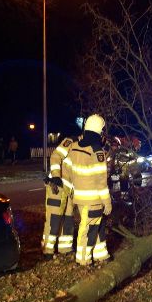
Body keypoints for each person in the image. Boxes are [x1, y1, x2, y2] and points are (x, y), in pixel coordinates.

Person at [65, 114, 112, 266]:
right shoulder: (97, 152)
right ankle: (83, 259)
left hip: (80, 198)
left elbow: (69, 171)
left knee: (95, 226)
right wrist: (107, 203)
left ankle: (100, 254)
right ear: (99, 131)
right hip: (94, 199)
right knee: (88, 229)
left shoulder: (75, 147)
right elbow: (101, 182)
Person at [41, 133, 80, 259]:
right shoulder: (70, 141)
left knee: (68, 220)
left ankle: (65, 248)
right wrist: (56, 176)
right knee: (54, 219)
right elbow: (55, 156)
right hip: (57, 187)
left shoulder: (85, 151)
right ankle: (48, 250)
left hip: (69, 191)